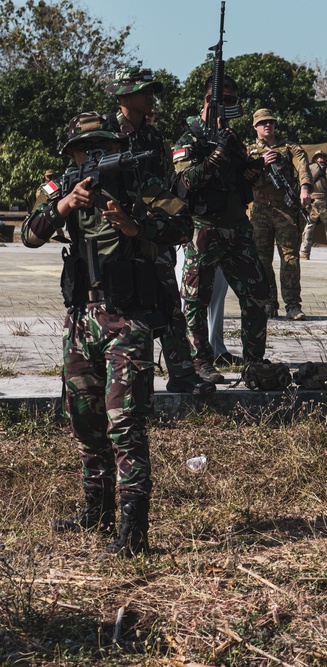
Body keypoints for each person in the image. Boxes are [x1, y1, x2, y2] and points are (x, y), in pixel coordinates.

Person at [22, 112, 193, 556]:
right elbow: (29, 235)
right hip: (81, 319)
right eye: (82, 151)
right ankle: (94, 512)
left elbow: (184, 225)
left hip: (127, 318)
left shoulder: (139, 186)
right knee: (85, 422)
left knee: (126, 425)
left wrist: (137, 228)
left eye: (99, 149)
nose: (91, 158)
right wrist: (64, 204)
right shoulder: (65, 188)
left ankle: (133, 533)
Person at [105, 66, 214, 396]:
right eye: (144, 91)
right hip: (111, 236)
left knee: (168, 304)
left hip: (149, 234)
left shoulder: (154, 140)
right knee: (112, 309)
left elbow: (167, 189)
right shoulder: (104, 133)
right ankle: (110, 376)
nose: (151, 97)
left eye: (152, 91)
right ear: (123, 96)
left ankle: (181, 372)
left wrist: (163, 226)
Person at [174, 75, 269, 384]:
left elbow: (240, 180)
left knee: (256, 294)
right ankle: (201, 362)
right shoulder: (190, 139)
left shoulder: (231, 138)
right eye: (224, 101)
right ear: (209, 101)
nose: (229, 107)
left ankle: (254, 364)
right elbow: (184, 183)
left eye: (232, 101)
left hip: (236, 225)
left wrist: (251, 171)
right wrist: (216, 156)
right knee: (196, 297)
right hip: (204, 227)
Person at [247, 108, 313, 321]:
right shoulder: (249, 150)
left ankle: (293, 305)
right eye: (263, 122)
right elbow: (242, 174)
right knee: (261, 259)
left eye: (271, 122)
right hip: (259, 210)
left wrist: (305, 188)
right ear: (255, 126)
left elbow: (302, 166)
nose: (268, 125)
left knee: (290, 258)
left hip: (284, 208)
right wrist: (259, 164)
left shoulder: (290, 147)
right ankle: (268, 302)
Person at [299, 150, 327, 261]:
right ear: (325, 158)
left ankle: (305, 253)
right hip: (326, 202)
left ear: (315, 158)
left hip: (312, 202)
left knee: (309, 226)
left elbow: (303, 182)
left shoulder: (310, 168)